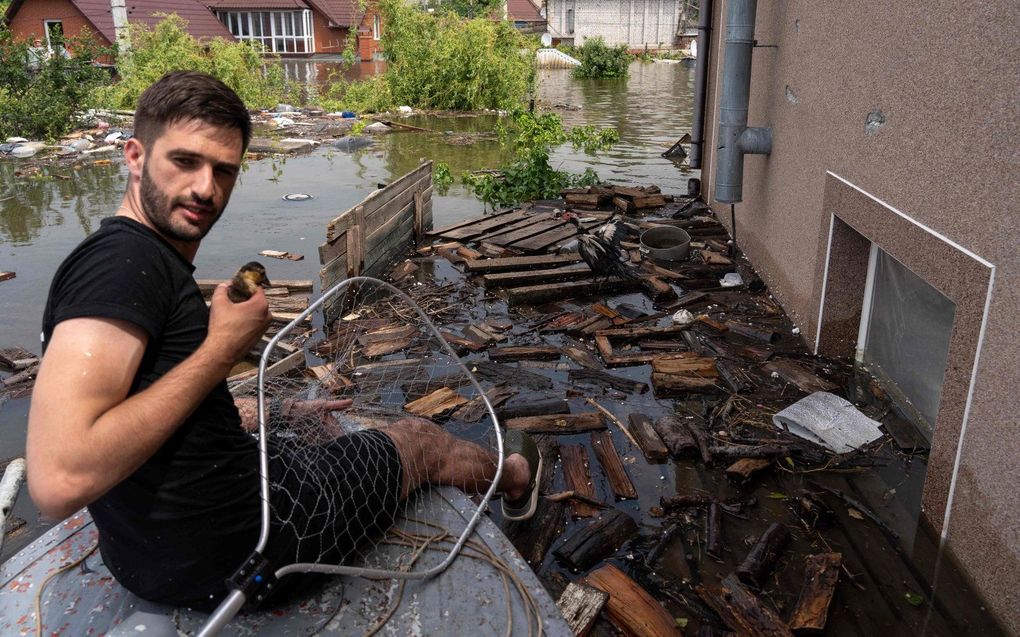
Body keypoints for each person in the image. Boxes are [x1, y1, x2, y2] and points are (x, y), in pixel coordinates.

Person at [26, 71, 541, 610]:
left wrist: (276, 408)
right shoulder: (124, 269)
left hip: (146, 563)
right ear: (135, 156)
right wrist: (222, 348)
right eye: (184, 161)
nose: (205, 187)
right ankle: (515, 477)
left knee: (299, 426)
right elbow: (61, 478)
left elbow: (147, 401)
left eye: (223, 170)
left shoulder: (119, 257)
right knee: (421, 440)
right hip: (252, 551)